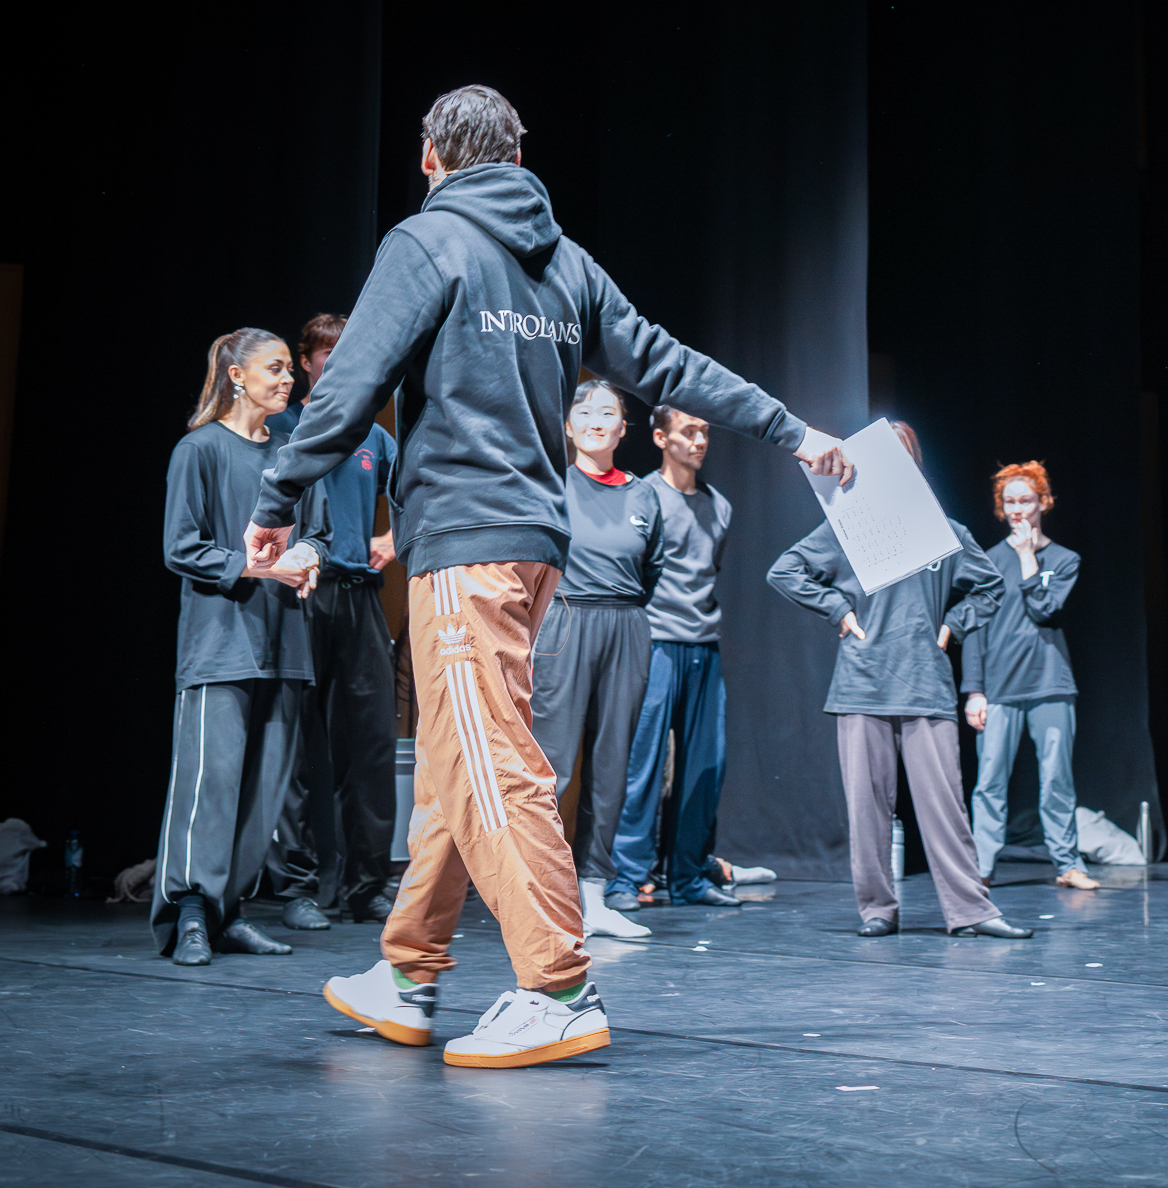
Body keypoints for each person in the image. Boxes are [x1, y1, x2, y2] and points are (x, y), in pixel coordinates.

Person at [245, 85, 849, 1068]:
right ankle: (407, 973)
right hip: (536, 549)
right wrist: (791, 428)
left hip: (465, 541)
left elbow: (350, 383)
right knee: (456, 762)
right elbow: (667, 363)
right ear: (518, 159)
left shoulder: (427, 241)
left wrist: (276, 499)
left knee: (490, 760)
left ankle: (558, 986)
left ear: (431, 156)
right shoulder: (566, 261)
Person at [768, 421, 1033, 941]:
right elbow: (785, 570)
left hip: (924, 682)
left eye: (901, 454)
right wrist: (837, 609)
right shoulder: (846, 529)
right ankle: (877, 909)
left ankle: (971, 910)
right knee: (867, 808)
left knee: (945, 806)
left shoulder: (942, 531)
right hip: (861, 683)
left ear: (913, 465)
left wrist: (952, 626)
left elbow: (990, 586)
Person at [155, 328, 325, 965]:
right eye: (274, 368)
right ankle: (191, 913)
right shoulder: (199, 450)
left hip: (285, 641)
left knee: (263, 793)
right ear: (236, 376)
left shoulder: (290, 453)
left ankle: (230, 913)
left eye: (288, 369)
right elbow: (182, 547)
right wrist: (260, 568)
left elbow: (320, 531)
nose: (286, 379)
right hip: (221, 643)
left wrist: (310, 555)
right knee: (211, 785)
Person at [264, 314, 401, 931]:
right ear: (308, 362)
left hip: (358, 595)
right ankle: (295, 887)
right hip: (298, 596)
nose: (339, 362)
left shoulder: (374, 436)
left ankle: (366, 887)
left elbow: (415, 496)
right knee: (293, 742)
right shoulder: (282, 429)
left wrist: (393, 538)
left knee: (371, 744)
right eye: (327, 354)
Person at [610, 405, 775, 913]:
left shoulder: (719, 506)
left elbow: (707, 572)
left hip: (703, 644)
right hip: (655, 643)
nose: (699, 441)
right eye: (688, 431)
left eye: (704, 431)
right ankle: (626, 878)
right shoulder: (640, 496)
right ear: (661, 438)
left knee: (706, 766)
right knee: (643, 764)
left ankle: (687, 876)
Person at [527, 379, 664, 940]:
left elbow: (651, 570)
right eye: (584, 413)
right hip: (565, 621)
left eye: (607, 413)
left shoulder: (644, 495)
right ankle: (538, 895)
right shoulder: (552, 485)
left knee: (611, 767)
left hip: (626, 625)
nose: (595, 421)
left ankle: (594, 897)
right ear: (567, 426)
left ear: (623, 429)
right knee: (553, 765)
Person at [961, 461, 1095, 890]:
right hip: (999, 686)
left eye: (1026, 501)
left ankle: (1068, 865)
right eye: (1010, 502)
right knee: (990, 782)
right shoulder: (987, 561)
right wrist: (974, 691)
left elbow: (1044, 609)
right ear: (1001, 508)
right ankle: (981, 868)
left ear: (1044, 503)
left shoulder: (1064, 560)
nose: (1017, 510)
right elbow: (975, 628)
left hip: (1050, 683)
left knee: (1057, 780)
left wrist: (1026, 557)